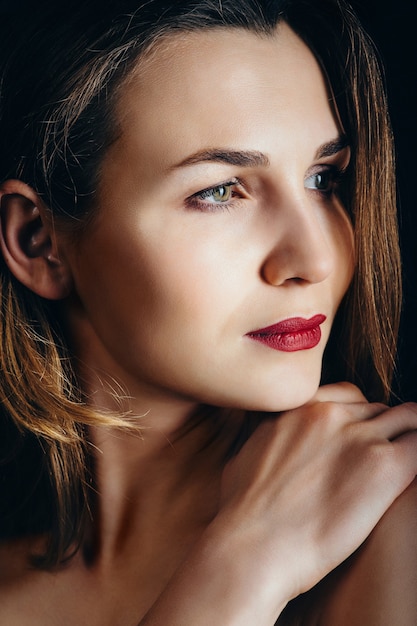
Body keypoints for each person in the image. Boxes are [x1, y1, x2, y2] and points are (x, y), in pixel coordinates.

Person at [0, 0, 416, 624]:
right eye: (220, 191)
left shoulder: (394, 531)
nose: (313, 259)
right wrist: (239, 572)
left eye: (322, 179)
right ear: (41, 242)